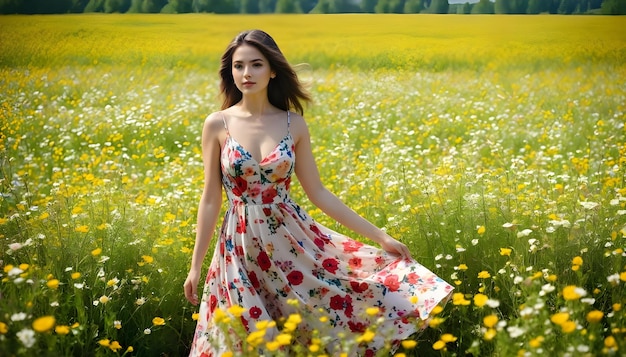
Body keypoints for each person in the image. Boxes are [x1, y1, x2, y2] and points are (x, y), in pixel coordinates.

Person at [183, 29, 453, 356]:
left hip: (291, 240)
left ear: (273, 70)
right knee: (241, 334)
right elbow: (210, 197)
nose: (246, 74)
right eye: (238, 66)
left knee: (307, 322)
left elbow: (318, 192)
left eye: (256, 65)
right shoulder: (217, 124)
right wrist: (196, 266)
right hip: (237, 246)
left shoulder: (292, 124)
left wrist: (381, 237)